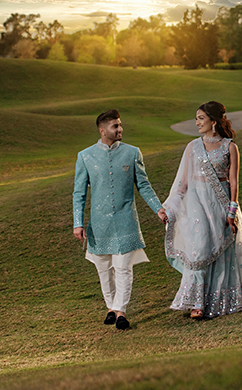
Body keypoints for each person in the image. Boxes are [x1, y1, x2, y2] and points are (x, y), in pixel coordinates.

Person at [160, 101, 242, 319]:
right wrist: (168, 208)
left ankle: (220, 300)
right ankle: (196, 303)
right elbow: (182, 184)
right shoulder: (192, 147)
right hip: (197, 206)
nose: (197, 122)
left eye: (201, 118)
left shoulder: (230, 147)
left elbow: (234, 182)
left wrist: (231, 213)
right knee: (199, 249)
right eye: (196, 118)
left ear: (213, 122)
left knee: (222, 253)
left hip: (221, 205)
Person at [73, 109, 166, 330]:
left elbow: (143, 184)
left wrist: (158, 209)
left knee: (123, 268)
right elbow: (79, 193)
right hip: (99, 224)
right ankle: (111, 308)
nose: (120, 129)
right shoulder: (85, 156)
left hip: (126, 220)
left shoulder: (132, 152)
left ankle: (120, 311)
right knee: (104, 268)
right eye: (115, 126)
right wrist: (78, 222)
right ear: (102, 130)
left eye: (120, 124)